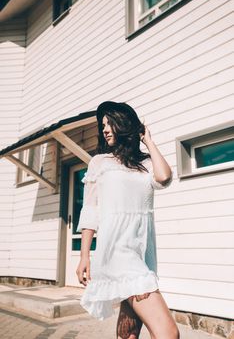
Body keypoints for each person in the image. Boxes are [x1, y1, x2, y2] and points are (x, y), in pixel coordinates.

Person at [76, 101, 179, 339]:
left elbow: (164, 177)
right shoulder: (100, 163)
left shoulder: (144, 165)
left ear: (124, 124)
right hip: (118, 253)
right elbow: (90, 211)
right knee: (168, 333)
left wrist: (148, 141)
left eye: (109, 123)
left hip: (142, 253)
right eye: (102, 125)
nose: (104, 129)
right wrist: (84, 256)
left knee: (129, 333)